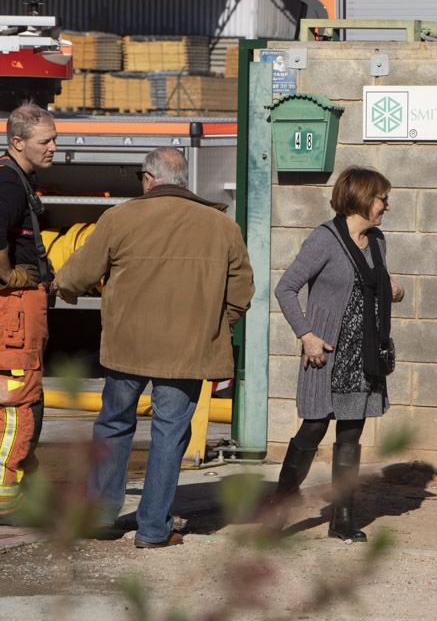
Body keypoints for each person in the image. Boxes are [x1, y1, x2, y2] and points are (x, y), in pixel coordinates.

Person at [54, 147, 254, 548]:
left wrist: (62, 288)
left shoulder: (120, 218)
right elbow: (242, 293)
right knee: (169, 433)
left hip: (127, 347)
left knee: (113, 424)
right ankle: (152, 529)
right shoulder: (221, 226)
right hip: (187, 352)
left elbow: (77, 274)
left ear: (148, 179)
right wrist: (212, 327)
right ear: (183, 181)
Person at [273, 166, 404, 542]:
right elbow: (286, 288)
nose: (386, 206)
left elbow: (373, 282)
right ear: (363, 198)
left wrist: (393, 290)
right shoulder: (324, 239)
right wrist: (306, 335)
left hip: (364, 354)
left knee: (351, 433)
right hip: (327, 354)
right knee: (313, 427)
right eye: (383, 199)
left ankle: (342, 518)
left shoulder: (378, 241)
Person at [0, 103, 56, 521]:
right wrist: (7, 275)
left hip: (20, 309)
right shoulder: (9, 183)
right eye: (46, 141)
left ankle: (23, 484)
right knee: (19, 400)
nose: (55, 147)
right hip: (16, 312)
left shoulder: (17, 178)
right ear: (18, 142)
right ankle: (7, 492)